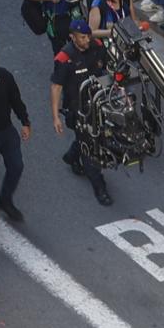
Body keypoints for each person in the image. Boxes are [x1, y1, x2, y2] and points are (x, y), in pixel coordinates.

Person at [51, 19, 113, 206]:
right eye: (83, 37)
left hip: (98, 103)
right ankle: (99, 187)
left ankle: (71, 156)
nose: (87, 40)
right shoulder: (65, 58)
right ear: (72, 37)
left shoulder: (97, 46)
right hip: (78, 109)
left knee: (93, 137)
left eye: (88, 36)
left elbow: (106, 69)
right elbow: (56, 87)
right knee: (90, 149)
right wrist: (55, 117)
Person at [0, 61, 30, 228]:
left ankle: (5, 199)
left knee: (16, 166)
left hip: (6, 131)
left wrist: (25, 121)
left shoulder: (4, 76)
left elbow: (15, 99)